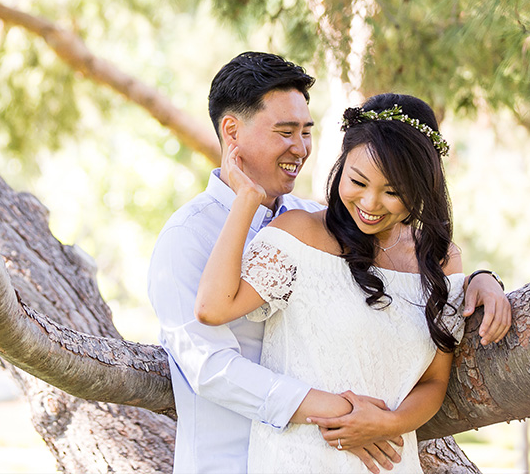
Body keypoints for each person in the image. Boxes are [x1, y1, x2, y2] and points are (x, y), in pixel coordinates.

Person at [147, 53, 511, 474]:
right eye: (285, 132)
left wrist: (478, 280)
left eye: (306, 132)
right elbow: (210, 368)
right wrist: (346, 412)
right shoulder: (187, 236)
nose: (300, 148)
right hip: (232, 461)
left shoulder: (319, 223)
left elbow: (400, 266)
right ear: (232, 132)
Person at [195, 93, 468, 473]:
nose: (370, 203)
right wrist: (247, 199)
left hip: (389, 462)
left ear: (422, 189)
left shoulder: (441, 260)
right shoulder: (299, 235)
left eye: (393, 192)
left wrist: (387, 423)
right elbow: (212, 308)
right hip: (298, 460)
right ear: (341, 167)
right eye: (357, 181)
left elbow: (434, 381)